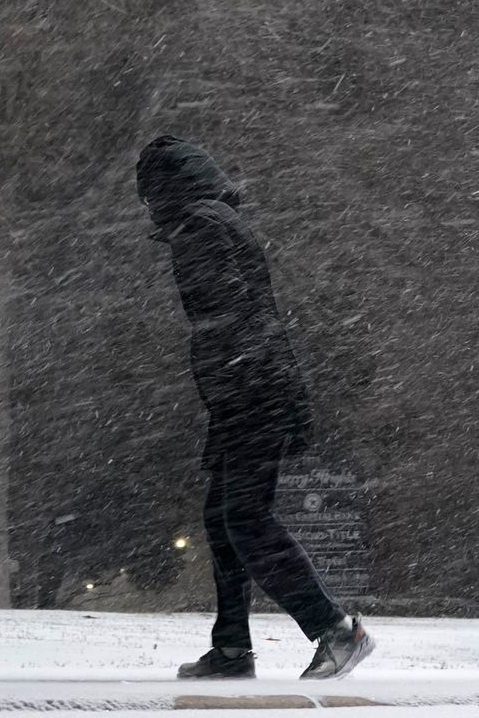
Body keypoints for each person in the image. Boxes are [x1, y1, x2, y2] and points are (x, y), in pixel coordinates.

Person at [136, 135, 374, 681]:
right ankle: (231, 651)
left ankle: (337, 630)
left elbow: (226, 313)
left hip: (250, 391)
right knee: (222, 519)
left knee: (244, 518)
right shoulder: (216, 221)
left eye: (150, 195)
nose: (149, 208)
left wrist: (235, 379)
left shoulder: (200, 228)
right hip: (249, 389)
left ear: (166, 189)